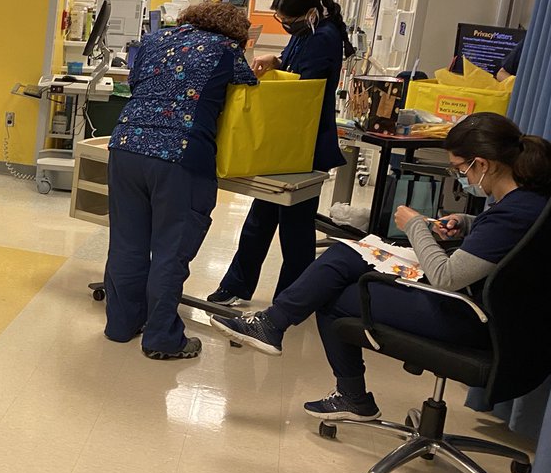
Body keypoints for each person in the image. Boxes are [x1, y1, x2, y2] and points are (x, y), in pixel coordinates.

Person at [212, 113, 551, 419]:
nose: (460, 177)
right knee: (346, 257)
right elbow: (502, 242)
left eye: (460, 169)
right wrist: (467, 222)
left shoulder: (510, 214)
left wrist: (415, 225)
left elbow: (446, 277)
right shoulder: (530, 202)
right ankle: (274, 324)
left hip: (470, 319)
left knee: (334, 297)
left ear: (483, 164)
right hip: (499, 319)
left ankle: (347, 392)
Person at [105, 1, 258, 360]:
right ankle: (161, 338)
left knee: (127, 244)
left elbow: (136, 80)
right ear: (236, 32)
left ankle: (121, 325)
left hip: (126, 146)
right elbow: (250, 85)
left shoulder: (155, 39)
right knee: (171, 251)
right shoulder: (226, 50)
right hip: (179, 155)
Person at [207, 0, 352, 307]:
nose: (286, 26)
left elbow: (303, 91)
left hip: (304, 145)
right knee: (260, 218)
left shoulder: (324, 38)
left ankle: (293, 298)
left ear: (310, 13)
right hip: (284, 143)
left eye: (289, 21)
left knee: (296, 228)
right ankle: (237, 285)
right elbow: (293, 64)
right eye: (280, 21)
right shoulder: (307, 33)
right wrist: (277, 61)